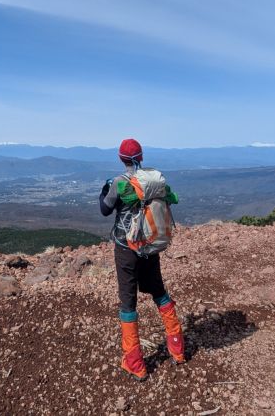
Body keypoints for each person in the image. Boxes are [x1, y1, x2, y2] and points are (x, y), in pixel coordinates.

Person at [99, 138, 185, 381]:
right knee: (159, 292)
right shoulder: (155, 182)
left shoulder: (120, 183)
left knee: (128, 302)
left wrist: (105, 191)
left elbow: (105, 209)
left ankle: (135, 363)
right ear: (142, 157)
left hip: (126, 248)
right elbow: (173, 198)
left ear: (120, 158)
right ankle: (177, 348)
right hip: (150, 246)